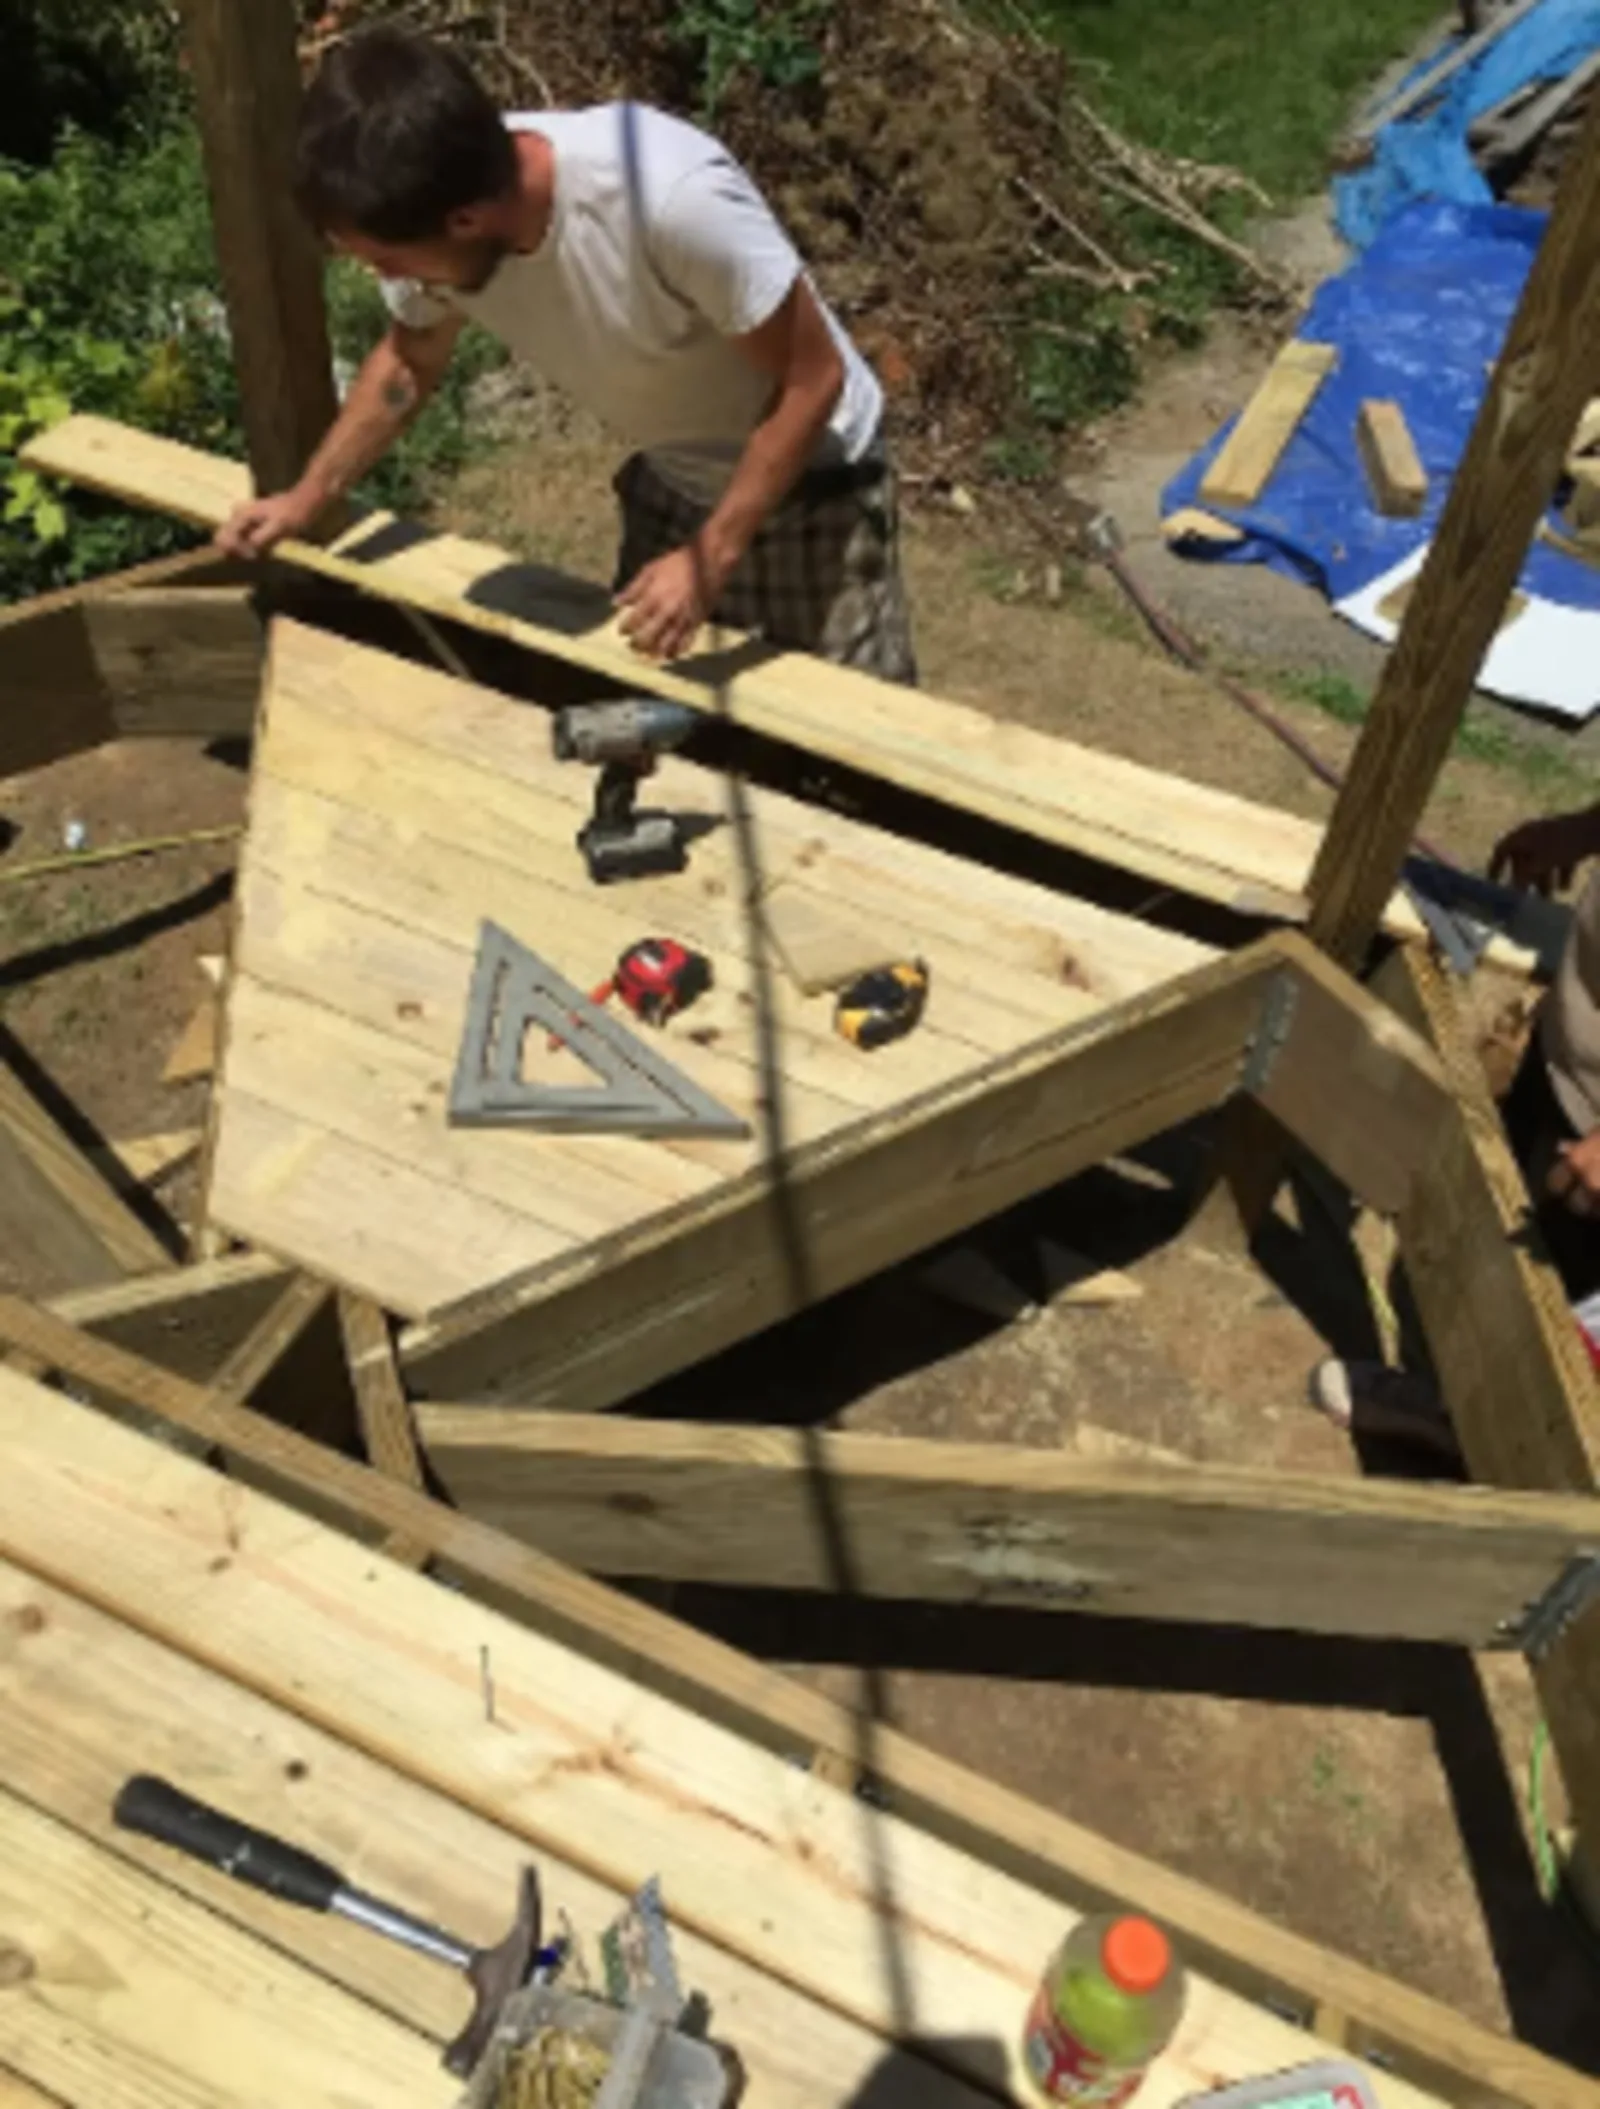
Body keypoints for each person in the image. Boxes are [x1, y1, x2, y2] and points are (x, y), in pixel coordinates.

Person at [216, 25, 917, 682]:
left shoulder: (667, 199)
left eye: (389, 259)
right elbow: (409, 362)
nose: (387, 279)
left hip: (818, 482)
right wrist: (308, 498)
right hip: (677, 480)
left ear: (467, 218)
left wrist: (710, 556)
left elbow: (812, 376)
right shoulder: (443, 206)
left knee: (849, 757)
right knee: (659, 727)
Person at [1312, 801, 1600, 1458]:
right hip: (1572, 1060)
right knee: (1504, 1240)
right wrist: (1586, 829)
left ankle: (1466, 1426)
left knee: (1544, 1324)